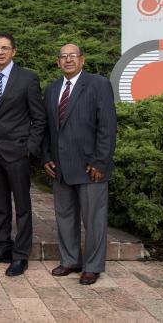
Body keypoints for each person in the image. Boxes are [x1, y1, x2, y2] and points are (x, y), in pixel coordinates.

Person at [42, 44, 117, 285]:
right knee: (65, 216)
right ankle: (70, 260)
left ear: (82, 60)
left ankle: (93, 266)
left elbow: (107, 126)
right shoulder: (52, 89)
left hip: (90, 167)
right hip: (61, 167)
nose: (68, 60)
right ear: (57, 62)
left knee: (93, 219)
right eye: (63, 57)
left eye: (72, 56)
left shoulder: (98, 85)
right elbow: (47, 129)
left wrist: (100, 161)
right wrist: (45, 158)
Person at [0, 32, 47, 276]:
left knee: (23, 206)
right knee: (0, 205)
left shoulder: (28, 78)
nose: (0, 52)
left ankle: (20, 255)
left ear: (14, 51)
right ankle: (2, 248)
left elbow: (39, 118)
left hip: (18, 153)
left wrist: (30, 149)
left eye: (5, 48)